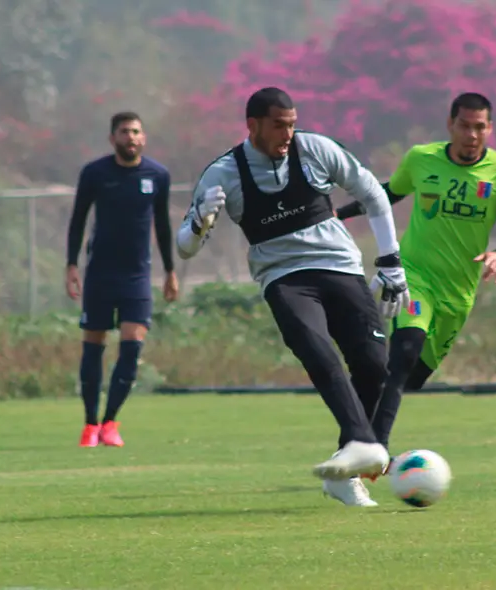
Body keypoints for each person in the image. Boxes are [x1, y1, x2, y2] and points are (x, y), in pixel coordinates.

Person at [176, 87, 410, 507]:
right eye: (278, 125)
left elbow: (374, 194)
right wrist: (198, 221)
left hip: (340, 266)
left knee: (375, 365)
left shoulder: (317, 149)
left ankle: (346, 466)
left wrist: (391, 261)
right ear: (253, 126)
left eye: (292, 123)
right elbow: (185, 248)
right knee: (316, 349)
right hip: (284, 277)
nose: (288, 133)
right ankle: (361, 443)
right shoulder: (223, 173)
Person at [335, 92, 496, 468]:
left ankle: (359, 423)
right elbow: (386, 195)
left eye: (479, 127)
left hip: (457, 295)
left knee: (409, 378)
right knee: (404, 351)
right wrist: (337, 214)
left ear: (490, 129)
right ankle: (374, 451)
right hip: (415, 277)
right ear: (451, 125)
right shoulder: (421, 159)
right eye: (464, 125)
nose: (471, 135)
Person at [65, 111, 179, 448]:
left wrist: (170, 270)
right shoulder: (95, 173)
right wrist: (71, 265)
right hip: (99, 273)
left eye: (136, 132)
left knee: (131, 349)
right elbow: (78, 220)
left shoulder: (157, 175)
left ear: (143, 138)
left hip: (137, 276)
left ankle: (110, 422)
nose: (131, 137)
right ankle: (89, 424)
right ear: (112, 138)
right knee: (93, 349)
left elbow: (162, 225)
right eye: (124, 132)